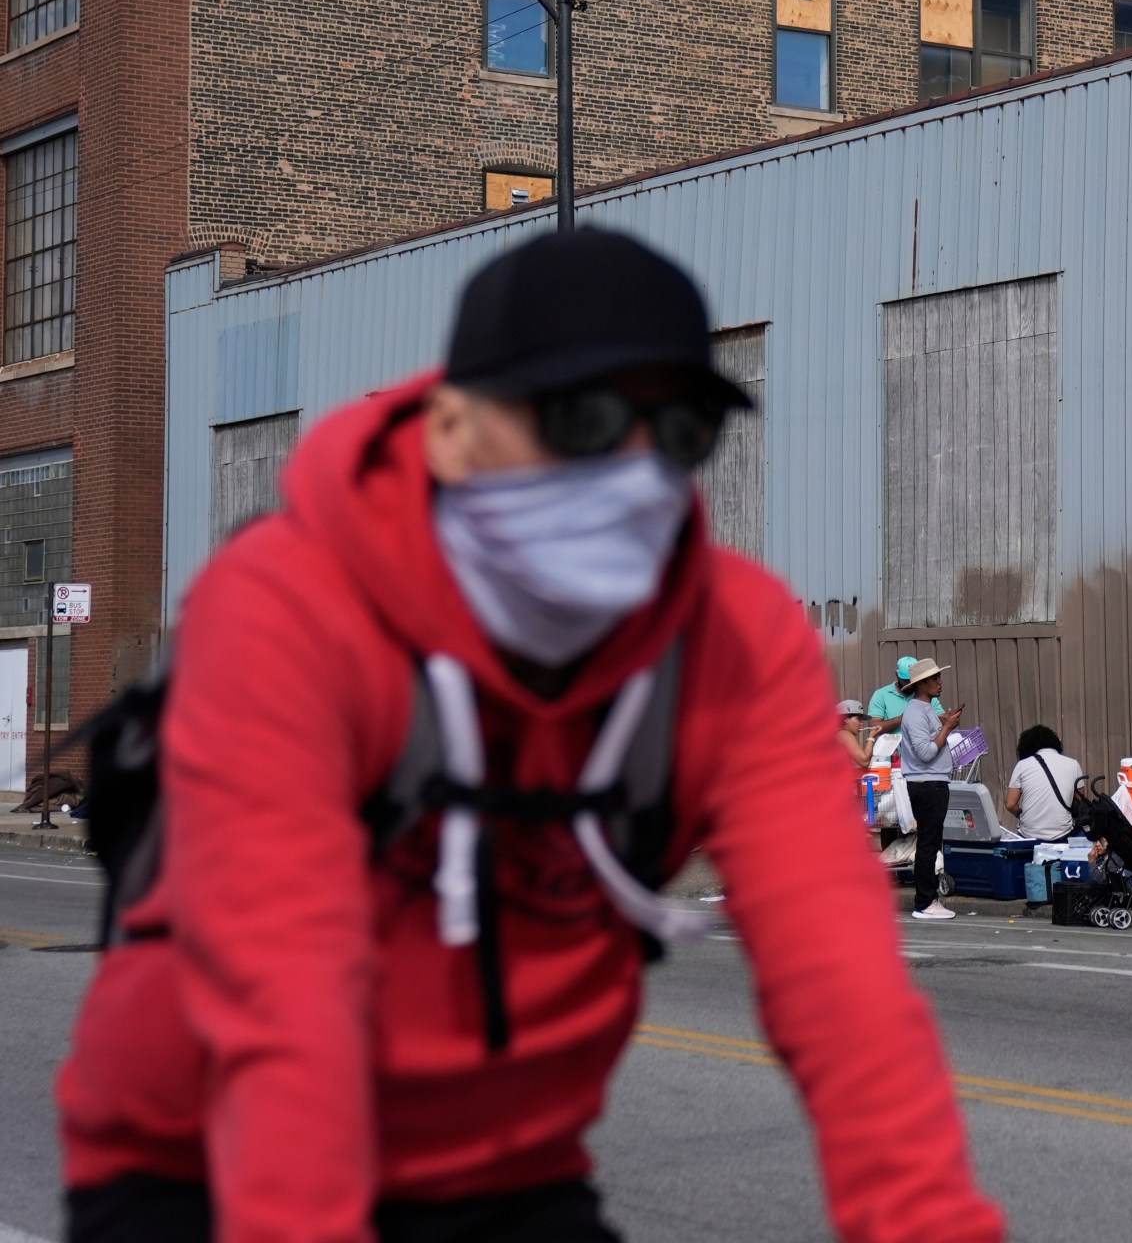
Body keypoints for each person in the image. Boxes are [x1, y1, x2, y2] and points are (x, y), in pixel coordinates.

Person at [53, 229, 1001, 1242]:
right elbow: (283, 1003)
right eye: (584, 418)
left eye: (677, 431)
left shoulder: (733, 640)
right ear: (453, 427)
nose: (636, 470)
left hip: (507, 1171)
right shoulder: (289, 607)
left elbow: (839, 975)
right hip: (201, 1163)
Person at [898, 658, 966, 920]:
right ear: (920, 684)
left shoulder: (923, 710)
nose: (940, 682)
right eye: (934, 678)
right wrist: (947, 728)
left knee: (930, 842)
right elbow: (926, 753)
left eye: (939, 676)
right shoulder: (915, 712)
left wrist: (944, 723)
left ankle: (927, 900)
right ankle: (925, 901)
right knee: (928, 843)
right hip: (927, 784)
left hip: (932, 782)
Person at [1004, 725, 1082, 843]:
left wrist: (1020, 814)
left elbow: (1010, 804)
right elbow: (1080, 798)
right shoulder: (1073, 764)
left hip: (1029, 836)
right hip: (1063, 835)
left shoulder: (1022, 765)